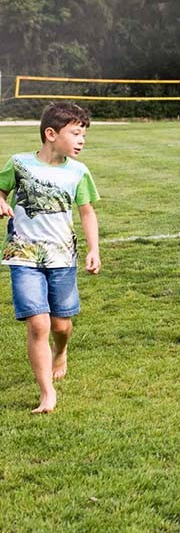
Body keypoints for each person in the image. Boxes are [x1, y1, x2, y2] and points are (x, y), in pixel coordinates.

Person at [0, 102, 100, 413]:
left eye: (84, 134)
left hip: (62, 257)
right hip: (24, 255)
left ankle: (61, 351)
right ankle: (47, 392)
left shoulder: (79, 171)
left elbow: (87, 212)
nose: (82, 140)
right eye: (76, 133)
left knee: (60, 324)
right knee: (38, 324)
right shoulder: (19, 164)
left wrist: (94, 249)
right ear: (51, 134)